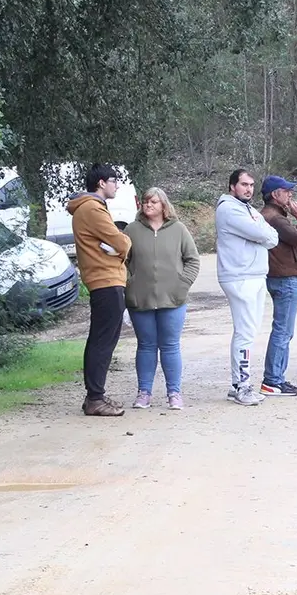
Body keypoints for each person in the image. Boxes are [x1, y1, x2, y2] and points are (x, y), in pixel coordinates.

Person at [123, 187, 200, 410]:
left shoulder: (179, 230)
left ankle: (174, 393)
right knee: (146, 346)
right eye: (146, 201)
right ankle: (144, 393)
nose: (148, 205)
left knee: (170, 346)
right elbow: (122, 261)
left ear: (164, 206)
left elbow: (193, 260)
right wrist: (130, 283)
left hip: (173, 299)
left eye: (153, 202)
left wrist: (182, 284)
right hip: (140, 299)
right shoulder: (131, 230)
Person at [68, 164, 134, 416]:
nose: (116, 185)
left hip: (105, 279)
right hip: (105, 280)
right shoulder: (92, 209)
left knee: (103, 339)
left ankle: (95, 396)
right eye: (114, 181)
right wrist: (122, 242)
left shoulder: (90, 208)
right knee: (103, 340)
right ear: (101, 183)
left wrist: (117, 244)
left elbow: (115, 242)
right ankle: (95, 398)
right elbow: (121, 241)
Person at [215, 169, 280, 406]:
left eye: (251, 185)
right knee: (245, 332)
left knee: (248, 332)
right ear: (233, 186)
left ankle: (238, 383)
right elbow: (260, 232)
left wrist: (262, 234)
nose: (248, 189)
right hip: (239, 276)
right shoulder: (228, 208)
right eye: (244, 184)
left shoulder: (250, 210)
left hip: (255, 275)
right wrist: (261, 235)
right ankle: (242, 385)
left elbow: (272, 237)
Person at [259, 175, 297, 397]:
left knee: (283, 330)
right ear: (275, 194)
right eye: (286, 190)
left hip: (278, 276)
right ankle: (272, 379)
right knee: (283, 331)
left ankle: (277, 378)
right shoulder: (276, 219)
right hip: (285, 277)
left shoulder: (269, 215)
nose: (290, 194)